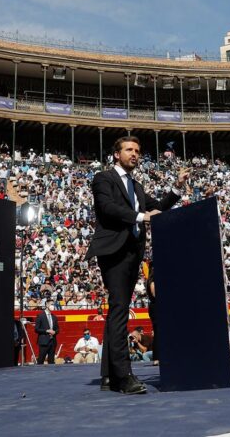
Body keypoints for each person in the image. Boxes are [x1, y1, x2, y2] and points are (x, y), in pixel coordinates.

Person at [88, 136, 188, 394]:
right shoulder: (104, 178)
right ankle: (123, 378)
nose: (135, 154)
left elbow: (159, 208)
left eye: (138, 151)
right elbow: (107, 208)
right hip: (113, 250)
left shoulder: (137, 186)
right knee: (120, 308)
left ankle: (109, 374)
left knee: (118, 309)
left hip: (133, 251)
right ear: (116, 154)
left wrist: (176, 188)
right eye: (129, 150)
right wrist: (141, 216)